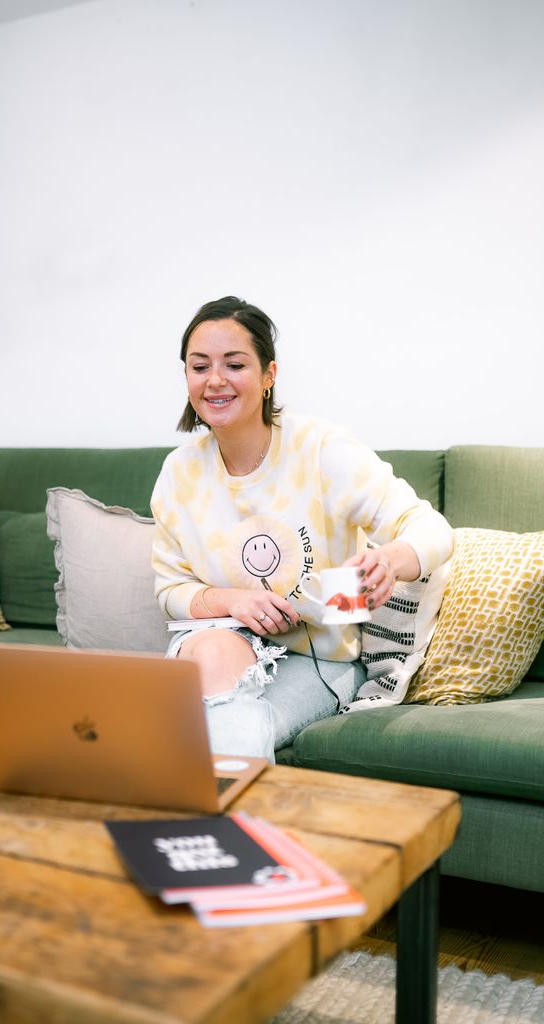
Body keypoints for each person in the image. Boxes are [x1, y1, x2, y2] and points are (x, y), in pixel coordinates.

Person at [151, 296, 454, 760]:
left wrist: (390, 561)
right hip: (223, 642)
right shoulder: (178, 473)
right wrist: (234, 600)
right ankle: (231, 821)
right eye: (199, 366)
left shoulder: (320, 450)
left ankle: (206, 816)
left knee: (221, 727)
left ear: (269, 375)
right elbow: (170, 588)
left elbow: (433, 529)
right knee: (212, 660)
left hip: (321, 657)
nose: (215, 380)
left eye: (234, 365)